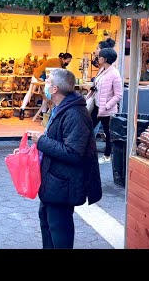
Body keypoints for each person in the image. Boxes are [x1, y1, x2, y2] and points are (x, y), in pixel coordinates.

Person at [29, 69, 102, 249]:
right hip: (53, 180)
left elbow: (74, 153)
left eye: (47, 82)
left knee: (59, 228)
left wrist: (42, 141)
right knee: (47, 222)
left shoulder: (75, 114)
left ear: (54, 89)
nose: (44, 85)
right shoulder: (61, 108)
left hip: (64, 183)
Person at [90, 47, 123, 164]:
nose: (98, 58)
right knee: (88, 127)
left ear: (105, 59)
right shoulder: (102, 70)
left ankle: (107, 156)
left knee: (108, 133)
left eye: (100, 57)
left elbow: (118, 95)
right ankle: (88, 152)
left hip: (107, 109)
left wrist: (107, 106)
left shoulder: (114, 73)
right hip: (97, 106)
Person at [19, 52, 72, 120]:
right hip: (37, 76)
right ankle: (22, 109)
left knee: (46, 94)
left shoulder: (61, 64)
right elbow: (61, 74)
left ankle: (43, 113)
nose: (68, 63)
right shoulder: (56, 62)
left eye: (69, 62)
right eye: (67, 61)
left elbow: (64, 73)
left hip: (44, 79)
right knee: (30, 92)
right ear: (63, 59)